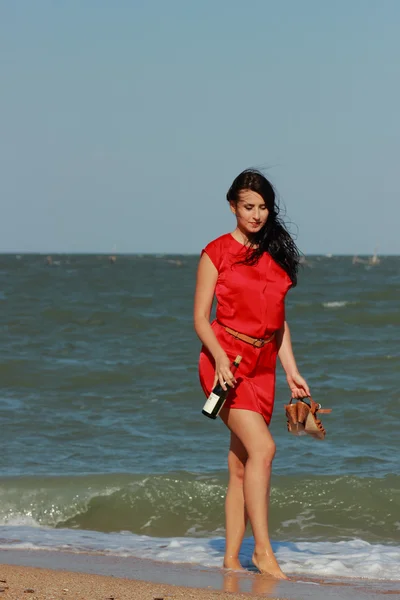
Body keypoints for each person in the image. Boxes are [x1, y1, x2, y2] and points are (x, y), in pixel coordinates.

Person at [193, 169, 310, 579]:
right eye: (248, 206)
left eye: (262, 207)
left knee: (241, 465)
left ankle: (229, 561)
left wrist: (292, 371)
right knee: (265, 449)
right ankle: (262, 551)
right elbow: (200, 319)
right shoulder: (216, 252)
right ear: (233, 206)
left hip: (263, 369)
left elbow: (278, 321)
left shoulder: (274, 254)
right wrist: (220, 358)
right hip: (225, 365)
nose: (256, 215)